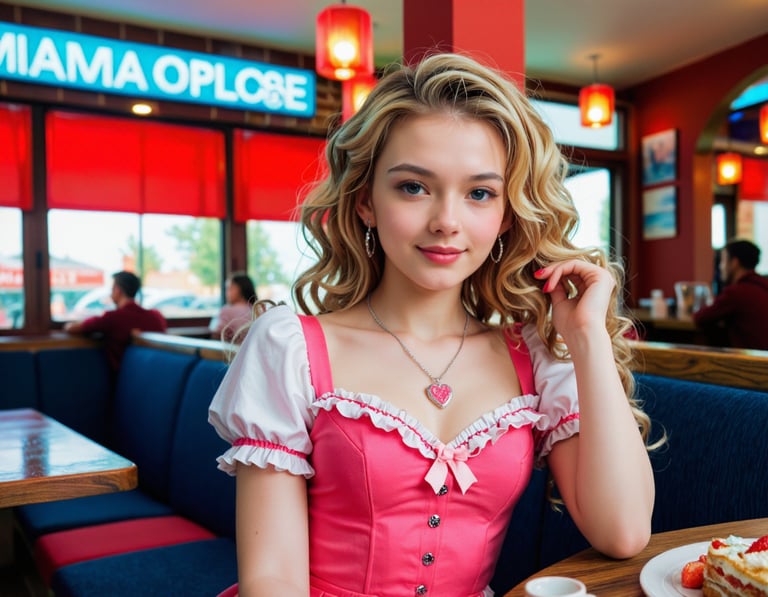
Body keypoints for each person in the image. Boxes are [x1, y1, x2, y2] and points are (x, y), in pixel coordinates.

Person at [208, 53, 656, 597]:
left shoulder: (534, 355)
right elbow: (273, 581)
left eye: (480, 193)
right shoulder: (290, 348)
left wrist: (585, 339)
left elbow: (624, 532)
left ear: (506, 214)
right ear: (365, 201)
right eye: (413, 187)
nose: (446, 220)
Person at [65, 271, 167, 371]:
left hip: (125, 379)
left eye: (112, 289)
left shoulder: (113, 318)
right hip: (157, 373)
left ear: (117, 290)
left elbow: (71, 328)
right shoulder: (156, 317)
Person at [693, 239, 768, 350]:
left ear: (734, 263)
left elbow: (700, 318)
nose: (720, 267)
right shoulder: (762, 286)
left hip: (753, 363)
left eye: (723, 261)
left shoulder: (737, 292)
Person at [209, 272, 257, 344]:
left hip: (233, 353)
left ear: (240, 289)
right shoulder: (257, 309)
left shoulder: (227, 310)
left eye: (229, 288)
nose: (227, 292)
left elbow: (216, 335)